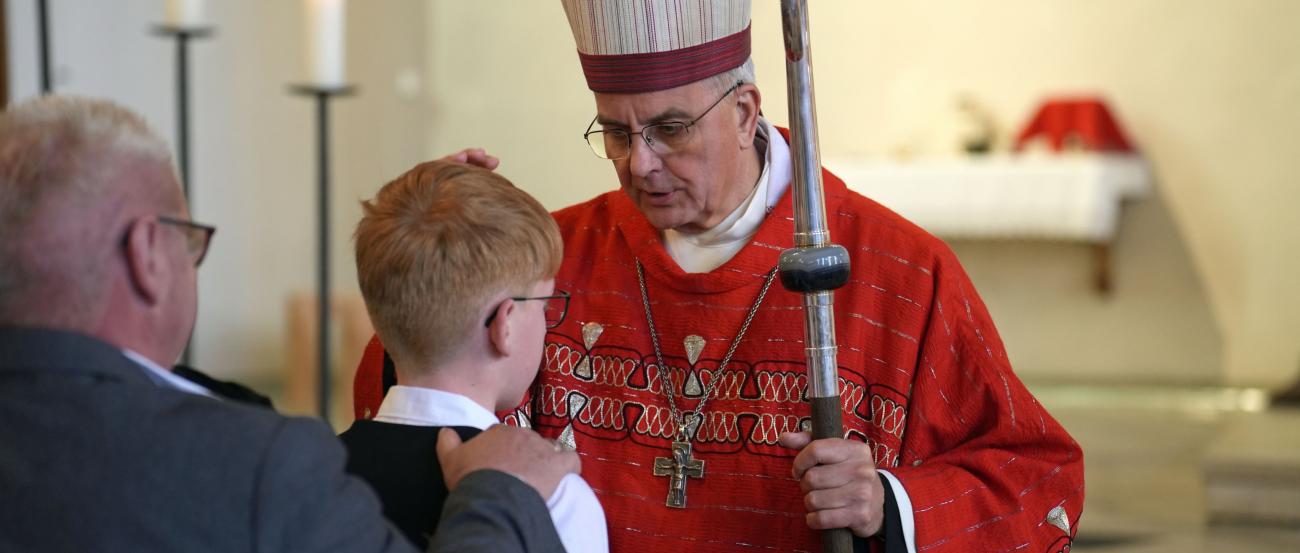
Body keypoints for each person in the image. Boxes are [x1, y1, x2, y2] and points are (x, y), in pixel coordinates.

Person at [353, 1, 1085, 551]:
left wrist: (887, 503)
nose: (637, 161)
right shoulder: (546, 258)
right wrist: (432, 249)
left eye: (669, 129)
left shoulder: (900, 271)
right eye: (614, 130)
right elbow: (418, 410)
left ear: (745, 112)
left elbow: (1037, 479)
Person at [0, 95, 572, 553]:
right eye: (188, 237)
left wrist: (428, 246)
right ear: (148, 253)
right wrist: (500, 497)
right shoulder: (251, 464)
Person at [340, 160, 609, 552]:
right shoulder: (551, 494)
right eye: (545, 306)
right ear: (506, 325)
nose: (548, 322)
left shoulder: (310, 474)